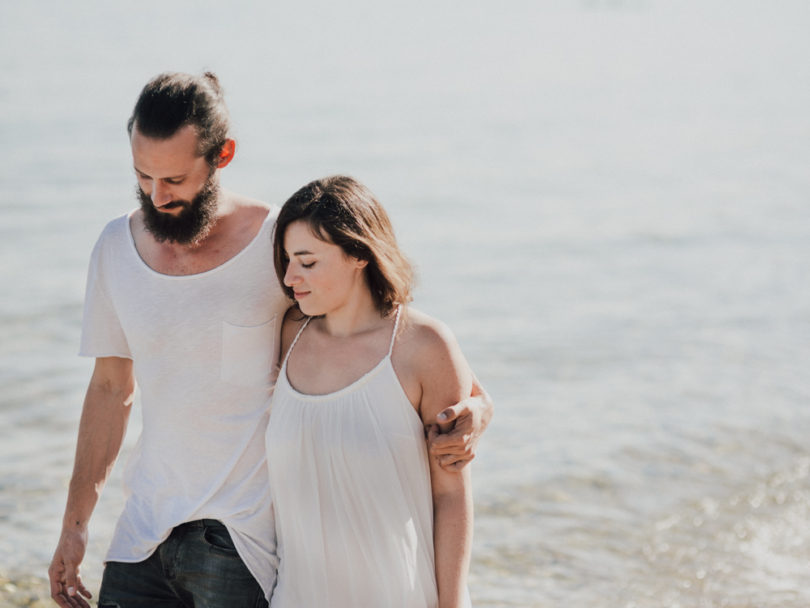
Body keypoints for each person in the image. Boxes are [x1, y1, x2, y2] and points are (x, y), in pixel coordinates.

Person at [48, 71, 493, 608]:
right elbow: (108, 389)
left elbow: (388, 332)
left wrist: (477, 407)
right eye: (143, 176)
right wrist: (76, 526)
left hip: (240, 538)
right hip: (142, 531)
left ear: (222, 155)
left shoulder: (279, 243)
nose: (156, 195)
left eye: (175, 180)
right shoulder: (115, 248)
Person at [266, 175, 475, 607]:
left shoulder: (423, 345)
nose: (289, 278)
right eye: (287, 260)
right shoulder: (287, 335)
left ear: (359, 254)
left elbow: (451, 495)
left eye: (307, 262)